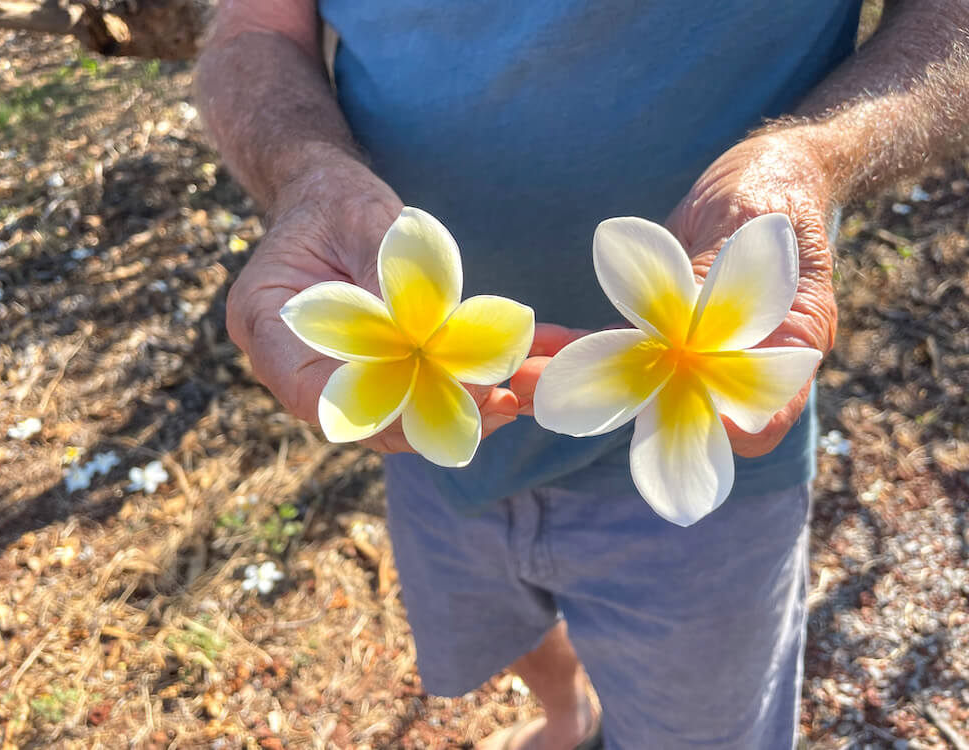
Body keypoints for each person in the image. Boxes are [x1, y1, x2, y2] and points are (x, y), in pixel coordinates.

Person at [196, 2, 969, 747]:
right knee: (503, 627)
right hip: (435, 427)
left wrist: (815, 156)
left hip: (710, 466)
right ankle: (570, 716)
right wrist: (305, 172)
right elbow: (256, 26)